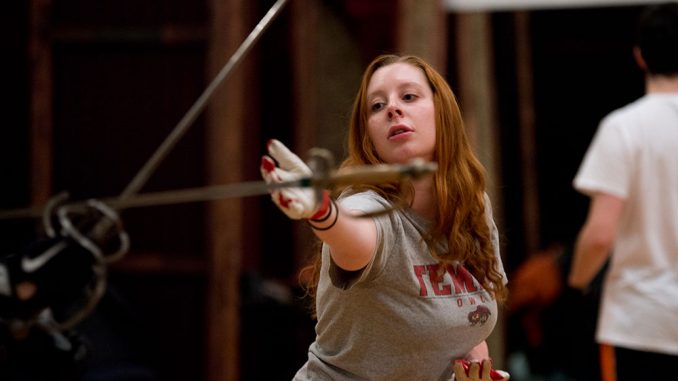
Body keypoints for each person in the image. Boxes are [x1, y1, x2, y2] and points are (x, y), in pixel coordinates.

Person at [260, 54, 509, 381]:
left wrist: (472, 349)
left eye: (408, 96)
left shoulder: (473, 203)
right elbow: (351, 232)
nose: (392, 108)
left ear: (442, 113)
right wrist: (322, 212)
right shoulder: (366, 207)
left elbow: (465, 315)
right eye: (377, 106)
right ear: (370, 137)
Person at [569, 3, 678, 380]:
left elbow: (600, 234)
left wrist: (578, 280)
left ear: (640, 56)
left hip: (641, 321)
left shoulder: (623, 128)